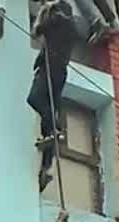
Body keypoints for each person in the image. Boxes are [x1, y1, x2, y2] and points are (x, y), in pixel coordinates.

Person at [28, 0, 78, 192]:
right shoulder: (71, 26)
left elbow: (37, 31)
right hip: (60, 72)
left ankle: (55, 130)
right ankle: (45, 169)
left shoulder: (56, 19)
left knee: (34, 99)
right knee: (47, 123)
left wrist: (45, 10)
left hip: (48, 68)